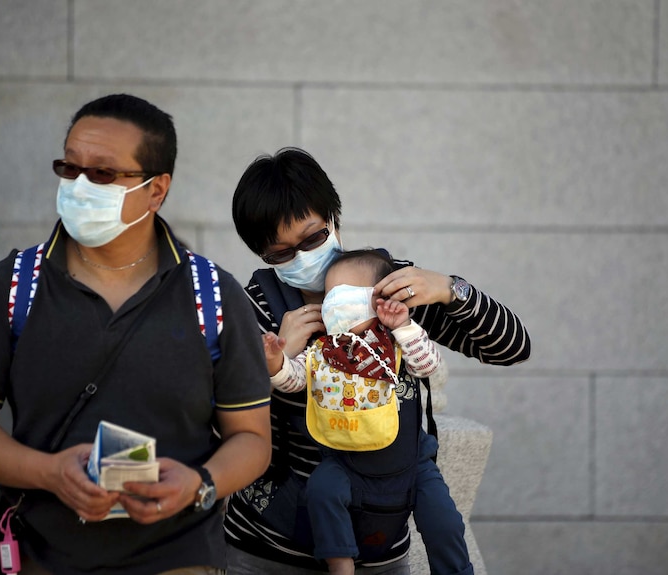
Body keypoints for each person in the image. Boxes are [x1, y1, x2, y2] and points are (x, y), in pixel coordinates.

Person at [0, 93, 272, 574]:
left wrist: (200, 482)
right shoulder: (15, 285)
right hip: (41, 554)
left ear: (157, 190)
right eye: (69, 167)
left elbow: (252, 439)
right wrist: (50, 473)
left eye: (101, 173)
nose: (78, 186)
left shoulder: (213, 294)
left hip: (176, 557)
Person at [224, 147, 531, 575]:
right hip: (271, 548)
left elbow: (511, 348)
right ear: (263, 255)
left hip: (379, 545)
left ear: (334, 218)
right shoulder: (254, 308)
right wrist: (278, 357)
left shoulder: (390, 285)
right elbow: (214, 414)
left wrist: (448, 288)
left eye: (313, 238)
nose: (304, 257)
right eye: (282, 253)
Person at [264, 248, 451, 575]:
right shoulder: (322, 350)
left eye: (345, 296)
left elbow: (429, 366)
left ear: (378, 300)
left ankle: (455, 568)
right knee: (321, 490)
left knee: (443, 519)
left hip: (408, 460)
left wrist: (405, 327)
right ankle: (340, 564)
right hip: (343, 460)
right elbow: (294, 380)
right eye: (330, 296)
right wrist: (276, 364)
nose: (334, 304)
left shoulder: (395, 341)